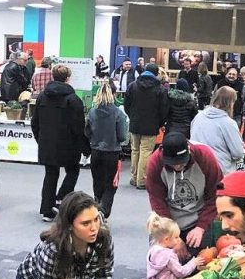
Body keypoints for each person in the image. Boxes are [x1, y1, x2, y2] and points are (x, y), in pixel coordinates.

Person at [11, 191, 114, 279]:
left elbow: (105, 274)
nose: (94, 228)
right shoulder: (52, 251)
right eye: (86, 223)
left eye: (96, 219)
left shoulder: (103, 239)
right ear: (70, 226)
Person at [146, 131, 222, 254]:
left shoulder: (204, 156)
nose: (177, 167)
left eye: (181, 162)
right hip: (168, 219)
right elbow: (157, 200)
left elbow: (216, 194)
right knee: (162, 261)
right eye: (173, 163)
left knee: (200, 263)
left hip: (198, 218)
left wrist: (201, 227)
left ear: (188, 149)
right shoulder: (155, 162)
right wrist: (172, 236)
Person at [31, 64, 86, 221]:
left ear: (53, 76)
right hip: (69, 144)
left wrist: (40, 139)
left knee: (50, 175)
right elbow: (79, 126)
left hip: (47, 143)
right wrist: (83, 146)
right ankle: (61, 198)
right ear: (68, 78)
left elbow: (35, 122)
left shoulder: (42, 97)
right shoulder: (74, 99)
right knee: (73, 171)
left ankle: (46, 209)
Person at [124, 63, 170, 189]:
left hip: (134, 123)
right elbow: (163, 110)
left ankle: (134, 177)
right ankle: (142, 180)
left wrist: (132, 116)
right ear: (156, 74)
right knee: (146, 151)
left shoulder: (132, 86)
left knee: (135, 150)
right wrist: (159, 123)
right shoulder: (160, 89)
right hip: (151, 125)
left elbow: (126, 105)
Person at [84, 82, 126, 218]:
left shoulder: (92, 112)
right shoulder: (118, 113)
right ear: (113, 94)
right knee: (111, 184)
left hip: (96, 151)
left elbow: (87, 132)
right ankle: (103, 210)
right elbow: (121, 136)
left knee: (97, 183)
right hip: (112, 152)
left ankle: (97, 209)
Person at [190, 86, 245, 175]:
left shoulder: (198, 116)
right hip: (220, 171)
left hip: (197, 168)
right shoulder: (229, 123)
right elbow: (238, 152)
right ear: (231, 103)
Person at [145, 212, 204, 279]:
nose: (178, 240)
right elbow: (181, 272)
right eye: (176, 237)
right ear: (166, 239)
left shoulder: (152, 251)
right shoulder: (169, 256)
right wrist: (193, 263)